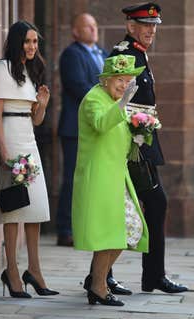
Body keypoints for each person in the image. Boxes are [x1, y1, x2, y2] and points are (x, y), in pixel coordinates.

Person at [106, 2, 188, 293]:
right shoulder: (124, 54)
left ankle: (141, 276)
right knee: (145, 203)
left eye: (154, 26)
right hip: (130, 143)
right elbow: (113, 98)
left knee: (147, 204)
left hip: (143, 140)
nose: (151, 30)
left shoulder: (137, 53)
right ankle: (112, 277)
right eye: (145, 25)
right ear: (131, 27)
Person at [72, 54, 149, 306]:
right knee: (112, 233)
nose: (124, 85)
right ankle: (98, 285)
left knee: (130, 230)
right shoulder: (95, 98)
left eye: (128, 81)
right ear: (105, 80)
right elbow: (101, 124)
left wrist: (140, 134)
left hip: (117, 176)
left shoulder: (117, 99)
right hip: (99, 178)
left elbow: (120, 134)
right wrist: (122, 106)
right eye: (119, 79)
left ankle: (97, 280)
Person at [0, 21, 59, 298]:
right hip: (10, 141)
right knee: (15, 208)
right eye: (28, 41)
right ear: (17, 41)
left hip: (29, 141)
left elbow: (36, 120)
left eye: (35, 42)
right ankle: (12, 272)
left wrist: (41, 104)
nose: (32, 47)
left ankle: (35, 270)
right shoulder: (2, 68)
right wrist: (3, 149)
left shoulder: (32, 71)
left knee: (37, 209)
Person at [57, 13, 108, 247]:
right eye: (87, 26)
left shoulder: (105, 55)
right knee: (72, 179)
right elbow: (79, 86)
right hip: (75, 128)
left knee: (94, 180)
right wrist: (108, 100)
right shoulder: (71, 54)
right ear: (75, 31)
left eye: (94, 25)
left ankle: (88, 227)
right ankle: (65, 229)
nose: (92, 29)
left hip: (98, 127)